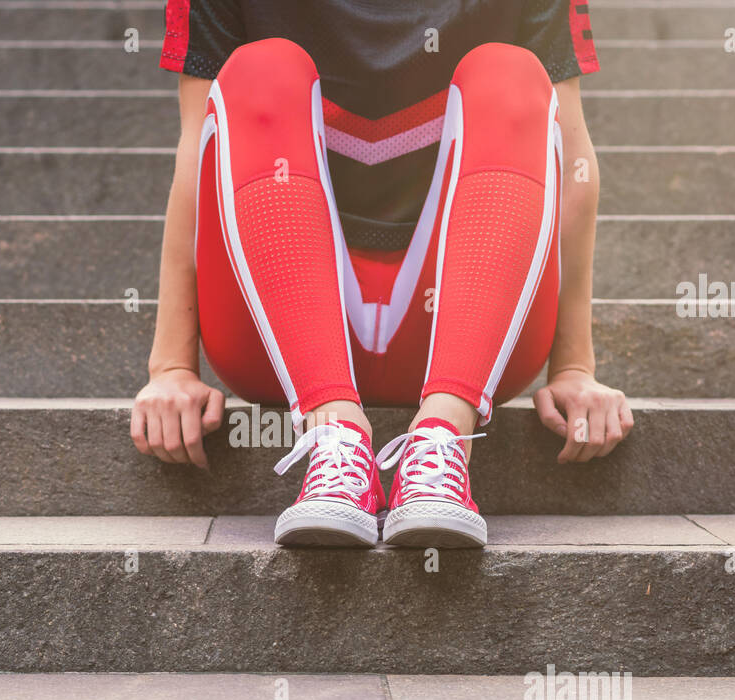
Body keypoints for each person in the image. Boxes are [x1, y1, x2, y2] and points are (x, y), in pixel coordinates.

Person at [131, 0, 633, 547]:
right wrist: (172, 366)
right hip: (277, 338)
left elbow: (570, 155)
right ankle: (333, 436)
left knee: (509, 70)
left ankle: (445, 438)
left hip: (470, 334)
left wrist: (574, 367)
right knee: (261, 67)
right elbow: (201, 152)